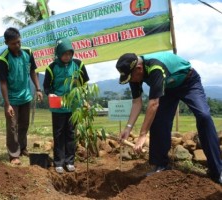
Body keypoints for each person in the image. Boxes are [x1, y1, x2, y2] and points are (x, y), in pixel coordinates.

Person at [116, 51, 222, 184]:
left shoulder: (155, 68)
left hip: (188, 81)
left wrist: (143, 135)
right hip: (167, 88)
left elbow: (153, 103)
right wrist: (128, 128)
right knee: (158, 121)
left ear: (139, 68)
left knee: (204, 116)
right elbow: (137, 102)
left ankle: (217, 171)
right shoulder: (133, 74)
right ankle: (161, 165)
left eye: (131, 77)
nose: (131, 81)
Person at [0, 27, 43, 165]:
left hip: (26, 96)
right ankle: (14, 154)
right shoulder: (3, 59)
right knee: (12, 127)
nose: (17, 45)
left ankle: (22, 148)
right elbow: (3, 83)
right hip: (12, 98)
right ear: (6, 43)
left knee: (24, 124)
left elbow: (33, 72)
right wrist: (7, 104)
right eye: (13, 43)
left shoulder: (28, 52)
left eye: (18, 42)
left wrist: (38, 89)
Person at [43, 38, 90, 174]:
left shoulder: (78, 65)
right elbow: (47, 86)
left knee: (70, 133)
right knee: (58, 134)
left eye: (69, 53)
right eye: (64, 54)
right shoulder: (51, 68)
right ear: (58, 53)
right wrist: (50, 94)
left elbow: (84, 82)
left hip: (73, 105)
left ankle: (70, 161)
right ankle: (59, 162)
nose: (67, 56)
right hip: (57, 105)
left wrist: (83, 97)